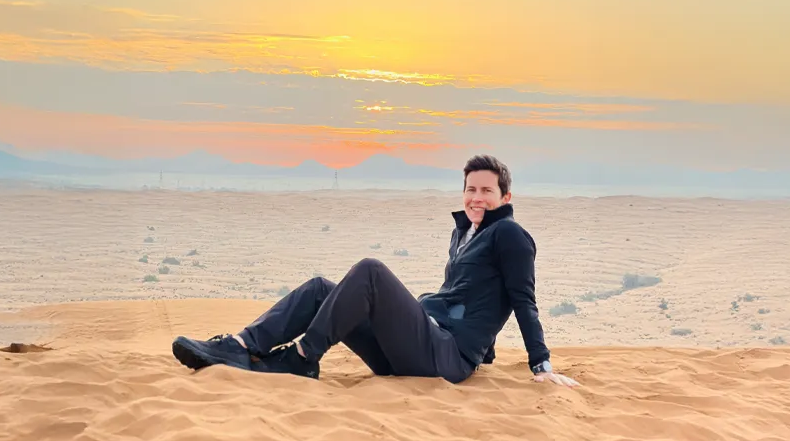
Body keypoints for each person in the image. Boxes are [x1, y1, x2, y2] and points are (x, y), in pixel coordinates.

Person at [170, 154, 580, 387]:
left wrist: (541, 365)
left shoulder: (509, 234)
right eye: (470, 189)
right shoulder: (466, 233)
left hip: (444, 358)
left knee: (370, 271)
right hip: (416, 349)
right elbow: (468, 297)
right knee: (319, 289)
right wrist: (486, 349)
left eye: (486, 190)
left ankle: (301, 358)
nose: (476, 197)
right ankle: (240, 347)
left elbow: (523, 300)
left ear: (505, 196)